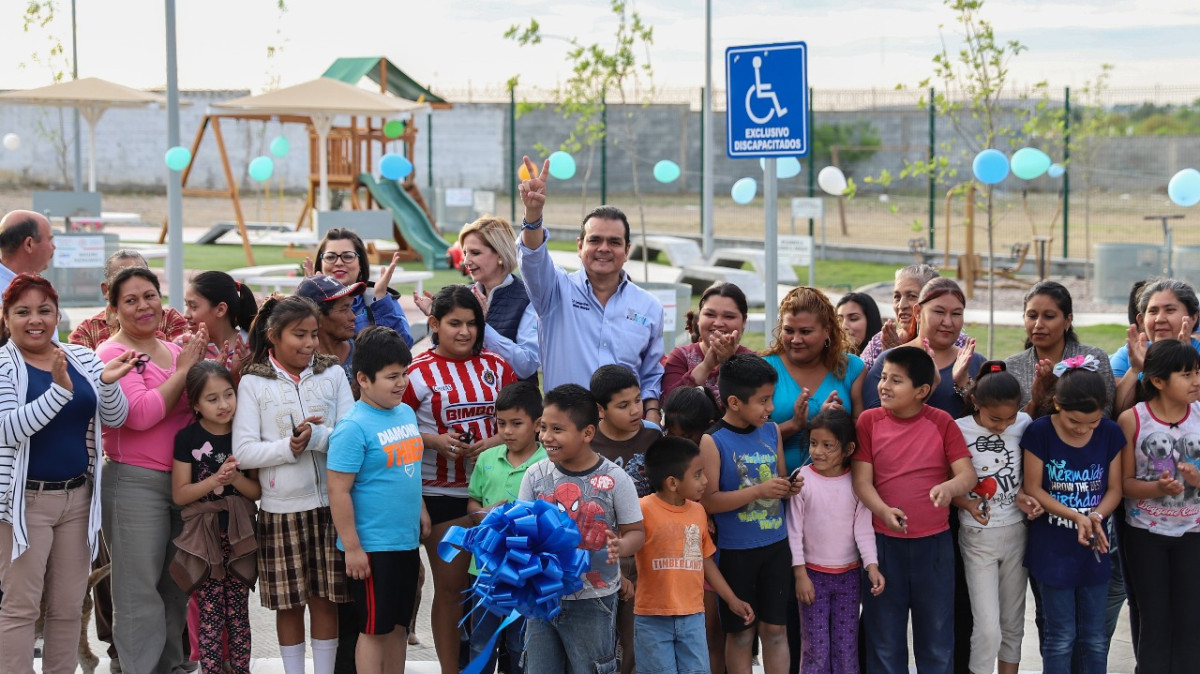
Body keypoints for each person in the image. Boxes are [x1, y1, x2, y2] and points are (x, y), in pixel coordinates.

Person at [0, 274, 134, 674]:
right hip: (24, 504)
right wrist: (59, 391)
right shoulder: (4, 366)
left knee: (68, 606)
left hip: (78, 500)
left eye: (44, 310)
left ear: (58, 314)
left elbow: (115, 417)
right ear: (6, 318)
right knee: (21, 607)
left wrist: (108, 386)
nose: (35, 319)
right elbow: (8, 428)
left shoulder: (83, 358)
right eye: (22, 312)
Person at [233, 295, 355, 674]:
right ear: (273, 336)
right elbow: (244, 452)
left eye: (314, 334)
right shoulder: (253, 382)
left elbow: (354, 437)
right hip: (280, 510)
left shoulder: (332, 374)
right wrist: (289, 447)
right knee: (289, 604)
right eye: (299, 335)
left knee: (325, 600)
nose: (309, 343)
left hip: (332, 506)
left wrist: (318, 437)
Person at [96, 266, 207, 674]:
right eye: (130, 300)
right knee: (137, 592)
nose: (143, 306)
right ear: (114, 308)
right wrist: (183, 373)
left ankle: (170, 667)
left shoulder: (176, 349)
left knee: (175, 588)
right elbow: (140, 415)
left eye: (149, 296)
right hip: (134, 484)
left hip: (183, 483)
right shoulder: (111, 354)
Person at [401, 285, 517, 674]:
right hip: (438, 493)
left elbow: (525, 421)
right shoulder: (416, 373)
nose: (465, 332)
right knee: (451, 591)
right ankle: (451, 669)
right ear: (434, 323)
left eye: (472, 323)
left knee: (492, 589)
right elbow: (391, 431)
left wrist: (493, 442)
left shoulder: (498, 367)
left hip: (495, 493)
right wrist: (433, 440)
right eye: (454, 323)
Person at [851, 346, 977, 674]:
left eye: (896, 380)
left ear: (921, 391)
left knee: (936, 638)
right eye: (883, 378)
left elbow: (967, 475)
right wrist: (883, 510)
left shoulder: (942, 422)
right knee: (884, 639)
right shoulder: (869, 421)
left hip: (934, 547)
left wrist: (948, 488)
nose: (884, 386)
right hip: (883, 546)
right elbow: (862, 482)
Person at [516, 155, 665, 425]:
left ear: (627, 250)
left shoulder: (649, 307)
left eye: (614, 242)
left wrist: (651, 421)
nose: (604, 248)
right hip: (567, 431)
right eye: (595, 239)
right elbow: (533, 259)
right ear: (579, 246)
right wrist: (533, 215)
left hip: (625, 436)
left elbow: (651, 373)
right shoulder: (554, 291)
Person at [518, 384, 645, 674]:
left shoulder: (615, 479)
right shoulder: (535, 475)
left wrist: (622, 547)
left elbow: (636, 531)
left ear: (587, 433)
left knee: (591, 668)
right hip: (542, 599)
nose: (546, 437)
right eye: (543, 427)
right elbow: (523, 530)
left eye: (557, 429)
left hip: (594, 601)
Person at [327, 326, 428, 674]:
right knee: (374, 628)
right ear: (364, 379)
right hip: (373, 547)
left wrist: (422, 510)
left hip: (404, 541)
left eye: (405, 374)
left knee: (399, 625)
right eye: (392, 376)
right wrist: (353, 547)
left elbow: (408, 469)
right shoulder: (352, 427)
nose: (401, 383)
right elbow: (338, 490)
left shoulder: (405, 414)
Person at [698, 353, 803, 674]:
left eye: (771, 398)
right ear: (733, 402)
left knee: (775, 630)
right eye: (763, 400)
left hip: (775, 546)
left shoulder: (771, 432)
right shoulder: (713, 441)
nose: (770, 408)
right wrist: (758, 491)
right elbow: (709, 502)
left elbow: (780, 478)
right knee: (741, 633)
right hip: (735, 553)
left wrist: (788, 487)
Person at [1021, 358, 1124, 674]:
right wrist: (1076, 516)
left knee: (1094, 638)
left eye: (1092, 422)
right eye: (1074, 421)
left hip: (1094, 550)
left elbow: (1115, 489)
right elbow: (1034, 488)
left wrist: (1093, 516)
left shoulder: (1109, 433)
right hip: (1052, 552)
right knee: (1061, 636)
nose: (1083, 429)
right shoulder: (1040, 432)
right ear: (1056, 404)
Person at [634, 436, 754, 674]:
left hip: (692, 617)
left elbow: (704, 560)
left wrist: (731, 599)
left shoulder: (698, 512)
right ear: (672, 483)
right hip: (652, 619)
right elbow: (623, 544)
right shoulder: (642, 509)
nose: (706, 481)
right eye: (698, 474)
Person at [171, 361, 260, 674]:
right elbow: (180, 494)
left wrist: (235, 481)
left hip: (239, 535)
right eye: (212, 399)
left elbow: (256, 490)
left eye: (228, 395)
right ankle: (209, 669)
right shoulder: (187, 438)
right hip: (204, 537)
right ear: (195, 404)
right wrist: (216, 481)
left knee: (238, 612)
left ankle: (240, 669)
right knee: (209, 613)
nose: (224, 405)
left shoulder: (244, 435)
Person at [1116, 339, 1200, 674]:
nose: (1196, 380)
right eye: (1186, 374)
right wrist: (1157, 487)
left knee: (1191, 619)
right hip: (1145, 536)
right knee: (1154, 619)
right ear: (1158, 381)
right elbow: (1123, 484)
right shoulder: (1132, 420)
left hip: (1194, 533)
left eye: (1197, 372)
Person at [952, 361, 1040, 674]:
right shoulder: (959, 429)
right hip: (978, 538)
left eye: (1009, 418)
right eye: (994, 419)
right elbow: (944, 482)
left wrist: (1027, 496)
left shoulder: (1025, 423)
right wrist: (966, 503)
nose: (1002, 426)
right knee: (988, 628)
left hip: (1017, 532)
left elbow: (1030, 472)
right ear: (975, 402)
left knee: (1013, 624)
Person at [787, 409, 884, 674]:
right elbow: (794, 531)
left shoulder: (858, 483)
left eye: (828, 445)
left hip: (849, 578)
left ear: (848, 448)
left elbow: (863, 529)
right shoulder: (802, 481)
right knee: (816, 650)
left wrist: (871, 566)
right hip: (813, 577)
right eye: (814, 443)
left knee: (845, 648)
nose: (818, 451)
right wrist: (800, 574)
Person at [465, 381, 547, 674]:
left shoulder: (548, 463)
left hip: (528, 573)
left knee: (519, 644)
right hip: (485, 571)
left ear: (538, 424)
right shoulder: (487, 459)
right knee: (481, 642)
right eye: (501, 423)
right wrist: (488, 515)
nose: (507, 431)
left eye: (516, 423)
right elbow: (473, 504)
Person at [588, 363, 661, 673]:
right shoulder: (588, 441)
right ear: (599, 409)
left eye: (637, 400)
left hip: (643, 550)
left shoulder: (653, 435)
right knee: (598, 638)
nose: (635, 411)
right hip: (598, 554)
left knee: (635, 637)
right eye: (623, 405)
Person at [417, 217, 540, 381]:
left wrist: (483, 327)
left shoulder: (528, 296)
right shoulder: (461, 295)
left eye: (475, 253)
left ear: (500, 254)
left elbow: (526, 365)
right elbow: (441, 359)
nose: (466, 261)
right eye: (465, 253)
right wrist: (439, 323)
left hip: (512, 403)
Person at [764, 286, 865, 470]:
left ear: (827, 330)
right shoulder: (764, 368)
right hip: (776, 486)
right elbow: (748, 437)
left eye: (805, 332)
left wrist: (833, 421)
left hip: (835, 485)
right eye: (788, 330)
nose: (795, 339)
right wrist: (794, 425)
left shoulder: (853, 368)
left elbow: (864, 433)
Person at [864, 278, 985, 418]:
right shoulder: (890, 360)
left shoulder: (976, 363)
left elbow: (994, 420)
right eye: (939, 312)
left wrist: (964, 383)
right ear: (917, 312)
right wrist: (929, 386)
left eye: (956, 314)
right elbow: (874, 420)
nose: (948, 322)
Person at [1005, 281, 1114, 416]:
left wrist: (1056, 389)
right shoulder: (1011, 366)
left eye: (1049, 316)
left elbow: (1104, 415)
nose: (1038, 324)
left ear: (1067, 320)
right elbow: (1007, 425)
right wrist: (1035, 402)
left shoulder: (1093, 360)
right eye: (1032, 316)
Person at [310, 228, 414, 345]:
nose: (338, 262)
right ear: (320, 264)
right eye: (330, 257)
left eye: (348, 256)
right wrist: (307, 300)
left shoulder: (379, 300)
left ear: (361, 263)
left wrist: (380, 299)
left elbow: (404, 346)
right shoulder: (307, 302)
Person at [69, 249, 190, 350]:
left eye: (141, 275)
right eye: (123, 279)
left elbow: (184, 365)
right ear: (106, 290)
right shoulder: (87, 332)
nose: (134, 282)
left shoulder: (171, 319)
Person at [1112, 278, 1200, 413]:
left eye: (1170, 310)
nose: (1159, 319)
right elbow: (1118, 412)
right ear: (1141, 320)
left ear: (1193, 318)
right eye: (1153, 311)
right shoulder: (1128, 355)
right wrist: (1135, 370)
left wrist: (1182, 357)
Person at [859, 264, 967, 369]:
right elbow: (862, 384)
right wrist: (887, 357)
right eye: (897, 297)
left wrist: (900, 357)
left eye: (911, 296)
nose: (901, 305)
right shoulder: (879, 341)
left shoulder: (954, 341)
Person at [661, 283, 754, 404]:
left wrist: (729, 363)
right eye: (710, 314)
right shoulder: (681, 356)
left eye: (729, 316)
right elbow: (668, 403)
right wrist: (706, 366)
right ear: (699, 318)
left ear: (744, 321)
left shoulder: (754, 361)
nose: (718, 323)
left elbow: (752, 407)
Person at [178, 270, 258, 374]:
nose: (186, 315)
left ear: (220, 310)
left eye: (193, 307)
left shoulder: (251, 349)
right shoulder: (182, 345)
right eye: (187, 305)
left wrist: (238, 373)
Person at [295, 274, 365, 386]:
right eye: (344, 309)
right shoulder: (299, 367)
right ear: (316, 318)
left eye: (350, 308)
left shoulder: (365, 354)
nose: (353, 317)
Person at [0, 210, 56, 292]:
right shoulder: (7, 295)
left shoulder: (30, 287)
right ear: (29, 244)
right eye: (49, 240)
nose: (53, 247)